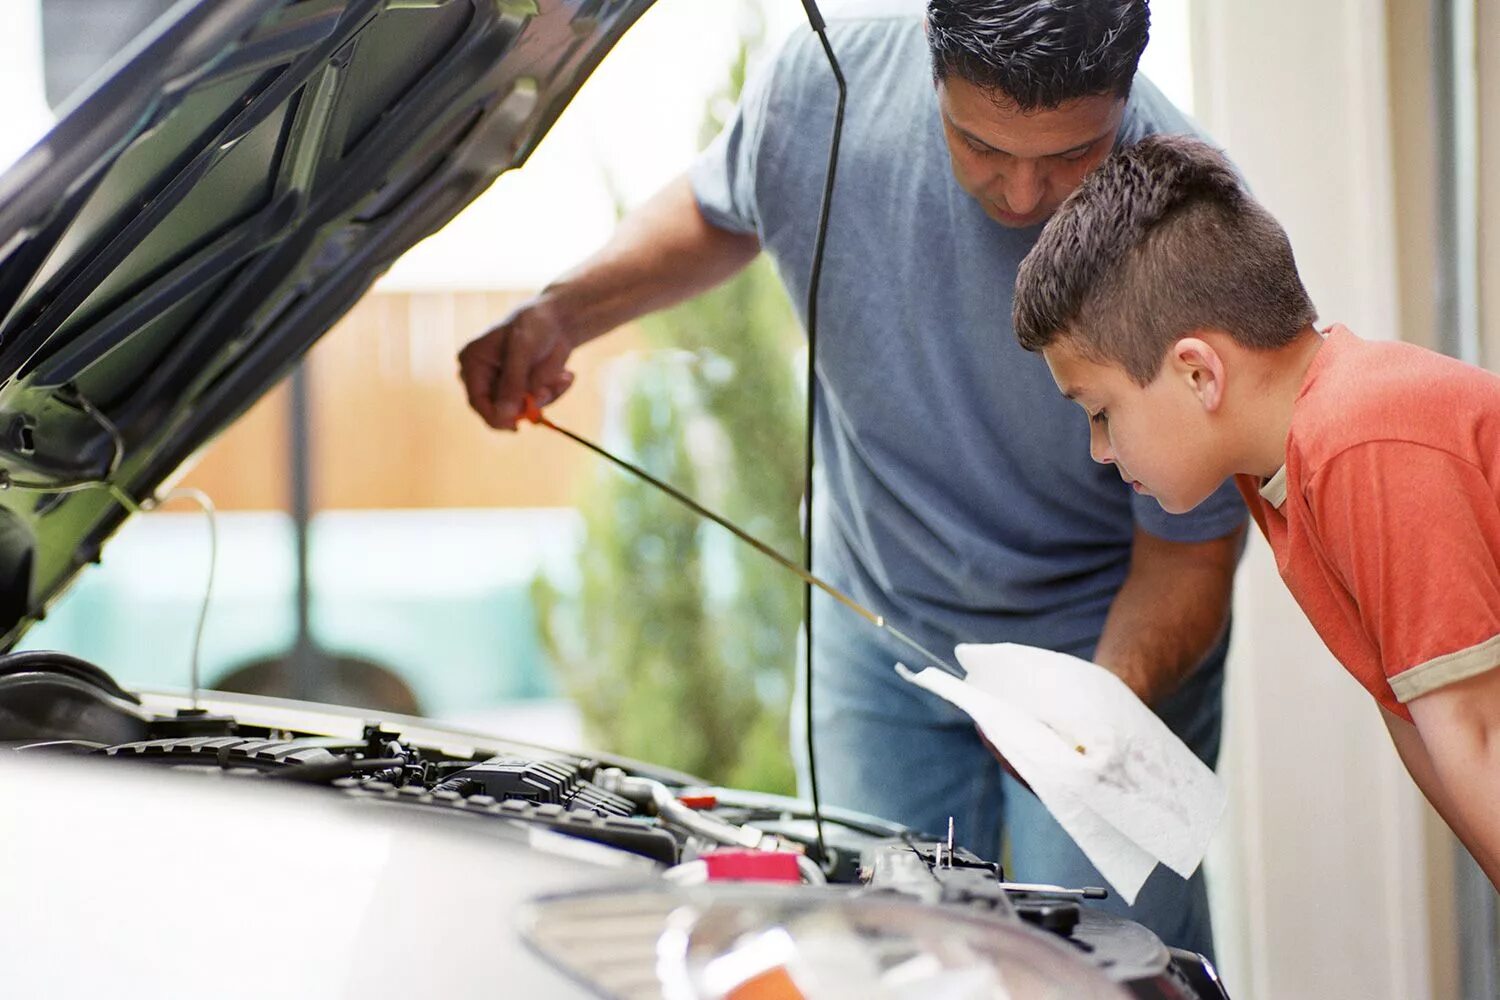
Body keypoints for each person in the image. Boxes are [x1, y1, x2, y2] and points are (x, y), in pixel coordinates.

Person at [458, 1, 1246, 954]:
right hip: (874, 625)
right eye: (980, 143)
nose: (1024, 195)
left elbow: (1188, 560)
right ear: (930, 62)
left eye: (1073, 155)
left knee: (1097, 964)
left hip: (1100, 641)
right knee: (871, 953)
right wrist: (562, 313)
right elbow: (726, 205)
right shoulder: (822, 93)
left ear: (1124, 92)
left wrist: (1100, 704)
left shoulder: (1195, 237)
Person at [1012, 133, 1500, 889]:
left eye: (1101, 411)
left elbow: (1481, 739)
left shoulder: (1360, 442)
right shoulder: (1283, 476)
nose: (1098, 451)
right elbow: (1421, 729)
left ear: (1198, 372)